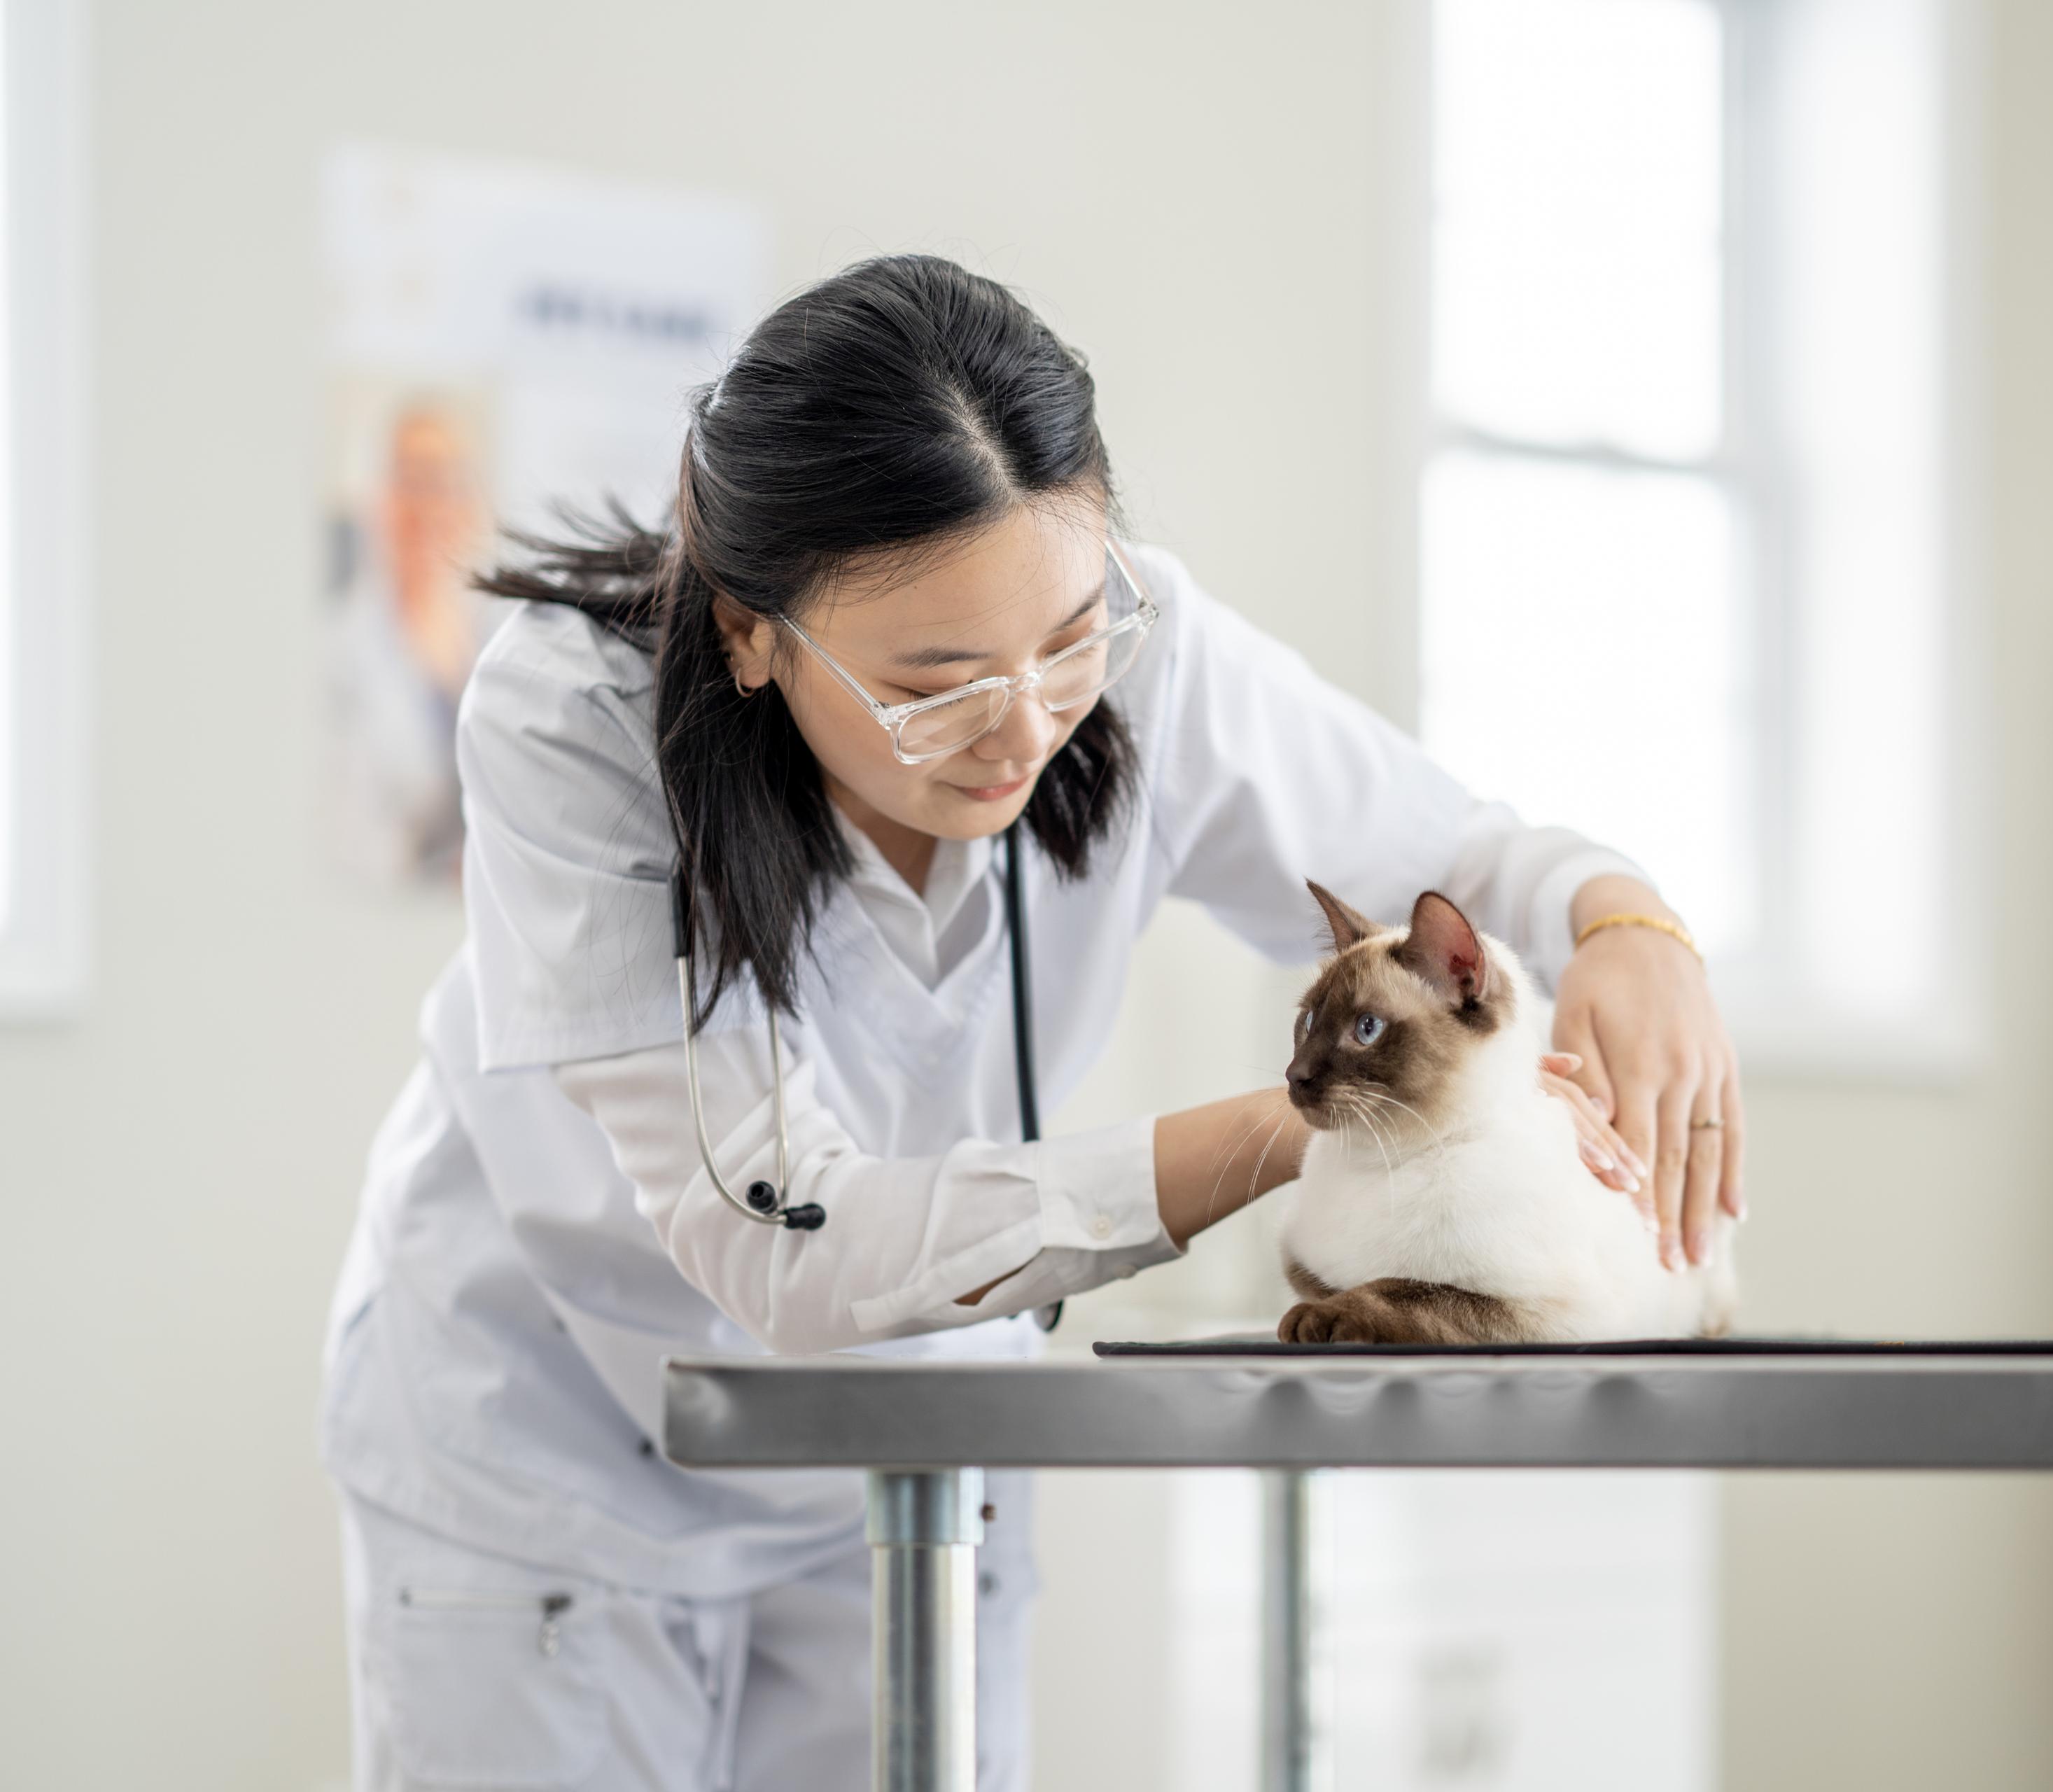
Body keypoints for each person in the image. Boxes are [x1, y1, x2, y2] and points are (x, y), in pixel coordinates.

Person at [320, 254, 1744, 1792]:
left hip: (916, 1438)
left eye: (1070, 642)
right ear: (749, 632)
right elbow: (783, 1235)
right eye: (936, 684)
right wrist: (1277, 1132)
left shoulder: (1148, 653)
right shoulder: (572, 723)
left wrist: (1625, 917)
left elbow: (1454, 877)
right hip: (553, 1439)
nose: (1025, 729)